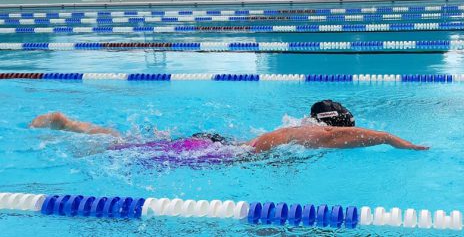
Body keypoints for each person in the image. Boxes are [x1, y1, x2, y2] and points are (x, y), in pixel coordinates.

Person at [30, 100, 429, 158]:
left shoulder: (296, 129)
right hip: (215, 154)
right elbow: (338, 138)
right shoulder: (313, 134)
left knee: (135, 142)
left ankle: (74, 126)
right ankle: (73, 128)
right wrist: (396, 140)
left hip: (216, 145)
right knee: (127, 150)